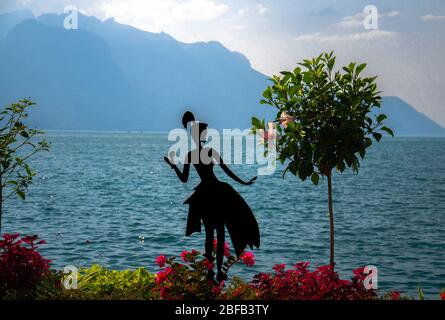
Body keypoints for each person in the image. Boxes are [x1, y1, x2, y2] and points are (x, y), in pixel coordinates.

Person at [164, 111, 260, 282]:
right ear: (200, 135)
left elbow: (184, 179)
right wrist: (243, 182)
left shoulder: (191, 155)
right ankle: (217, 272)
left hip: (205, 195)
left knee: (210, 234)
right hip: (217, 192)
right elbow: (228, 172)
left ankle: (210, 271)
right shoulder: (210, 152)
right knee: (220, 233)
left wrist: (174, 166)